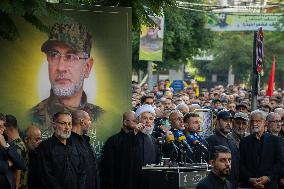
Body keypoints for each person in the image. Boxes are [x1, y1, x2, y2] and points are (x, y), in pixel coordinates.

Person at [28, 22, 104, 139]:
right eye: (54, 55)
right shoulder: (31, 117)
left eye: (71, 56)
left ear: (87, 67)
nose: (60, 67)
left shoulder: (103, 119)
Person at [37, 111, 86, 189]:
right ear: (54, 125)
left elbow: (82, 172)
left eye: (69, 124)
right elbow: (46, 176)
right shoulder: (45, 147)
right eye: (63, 123)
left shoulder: (75, 146)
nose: (67, 127)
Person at [239, 110, 283, 188]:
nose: (254, 124)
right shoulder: (244, 142)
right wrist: (250, 179)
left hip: (270, 185)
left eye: (257, 121)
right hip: (250, 185)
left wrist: (268, 177)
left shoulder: (275, 140)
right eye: (252, 121)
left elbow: (280, 162)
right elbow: (241, 164)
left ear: (264, 123)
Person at [100, 111, 141, 189]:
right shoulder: (113, 140)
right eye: (134, 121)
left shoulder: (140, 139)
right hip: (119, 183)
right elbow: (108, 166)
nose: (137, 123)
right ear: (125, 122)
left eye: (137, 121)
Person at [206, 110, 239, 189]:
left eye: (230, 121)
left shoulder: (232, 141)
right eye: (225, 120)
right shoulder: (211, 140)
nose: (228, 123)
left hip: (232, 184)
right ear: (217, 121)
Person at [70, 110, 99, 189]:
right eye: (89, 120)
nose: (90, 123)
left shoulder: (85, 141)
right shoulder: (69, 142)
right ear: (82, 122)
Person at [0, 113, 25, 189]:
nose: (2, 130)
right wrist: (8, 163)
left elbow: (21, 164)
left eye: (2, 126)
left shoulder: (8, 144)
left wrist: (5, 145)